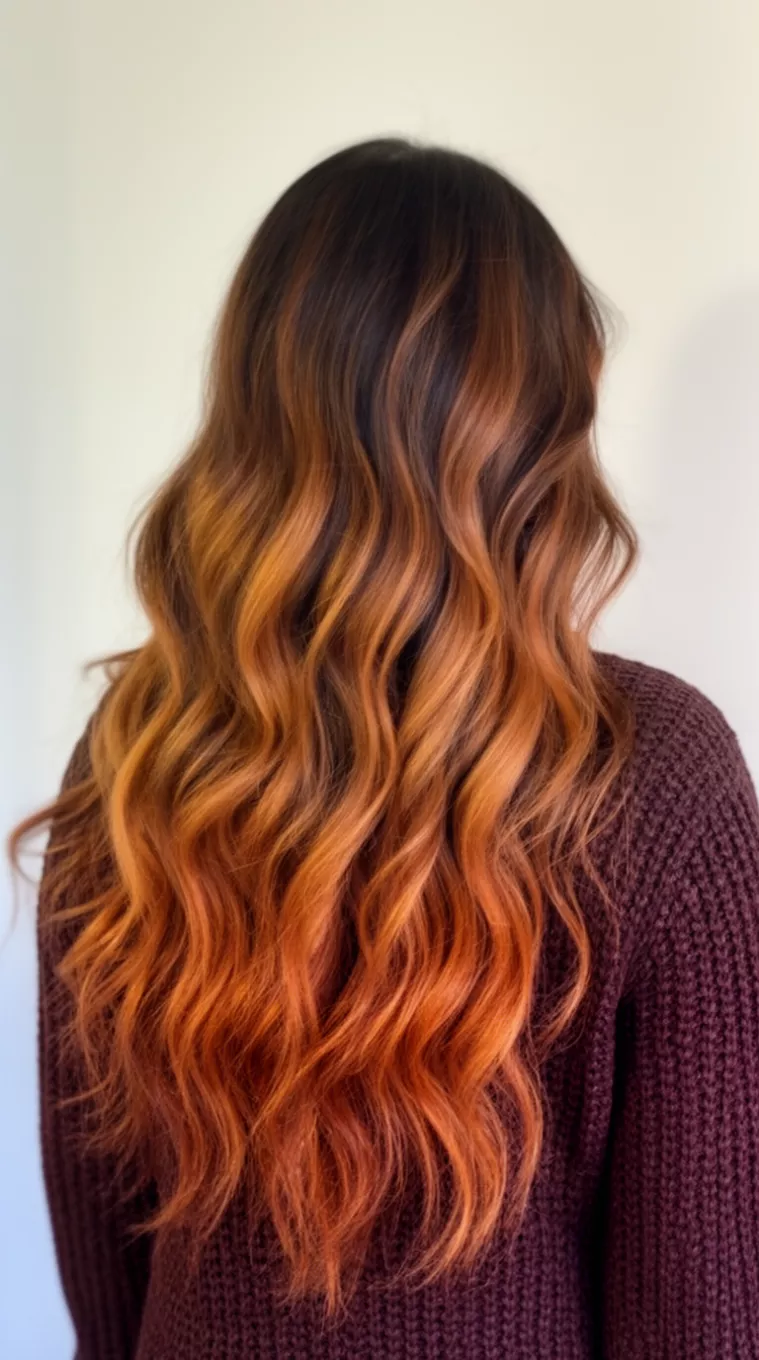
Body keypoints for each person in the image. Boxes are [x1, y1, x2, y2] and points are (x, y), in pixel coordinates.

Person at [9, 137, 759, 1360]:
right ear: (538, 427)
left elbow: (110, 1278)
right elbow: (700, 1314)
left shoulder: (142, 750)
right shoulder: (655, 768)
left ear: (255, 408)